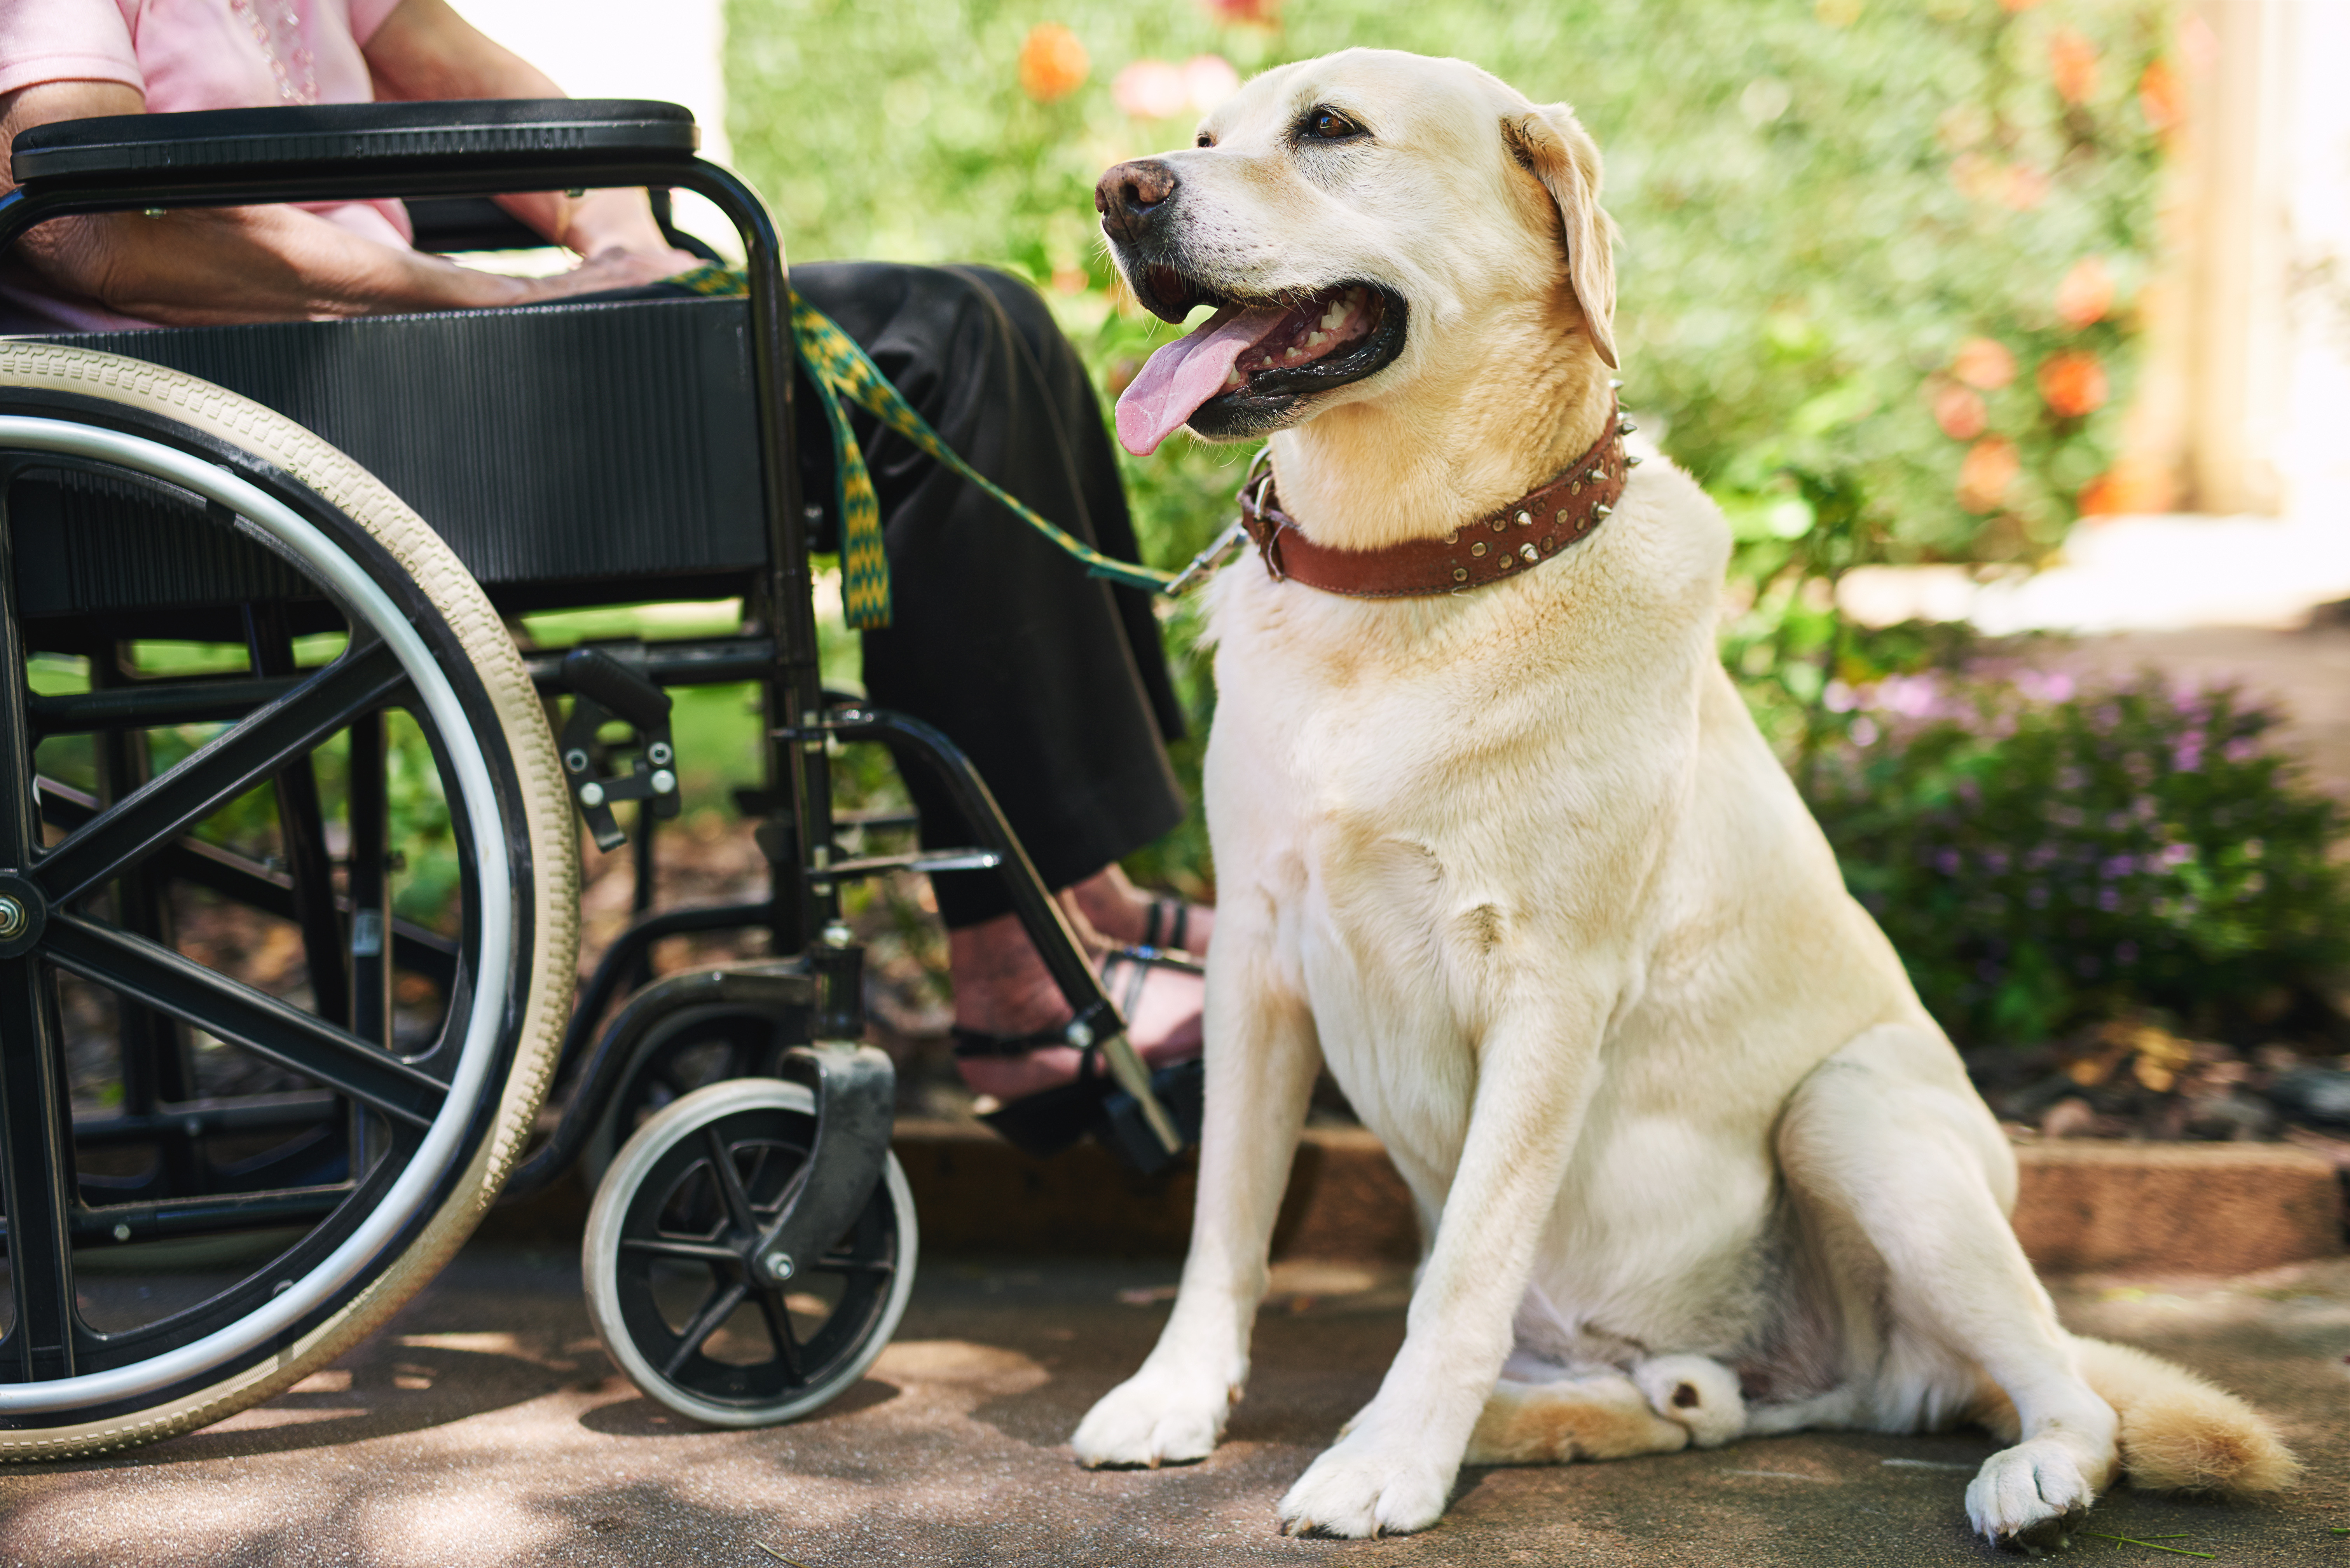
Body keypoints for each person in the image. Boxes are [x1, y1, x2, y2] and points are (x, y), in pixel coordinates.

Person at [0, 0, 1211, 1120]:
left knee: (992, 313)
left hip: (379, 373)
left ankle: (1082, 896)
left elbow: (507, 103)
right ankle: (1015, 973)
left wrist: (620, 239)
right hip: (239, 426)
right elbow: (86, 226)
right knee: (939, 343)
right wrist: (469, 297)